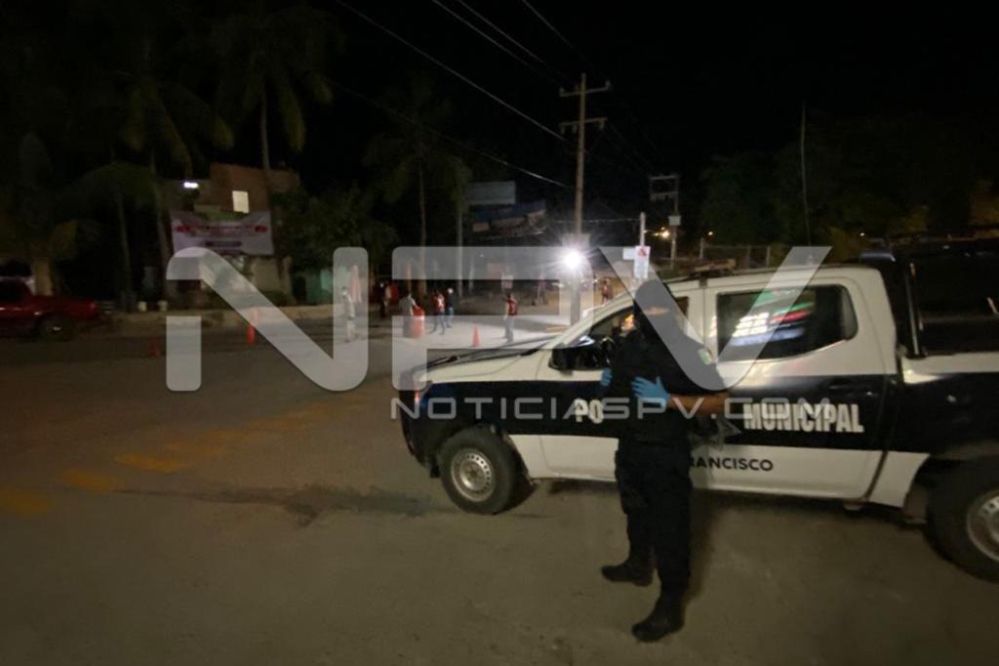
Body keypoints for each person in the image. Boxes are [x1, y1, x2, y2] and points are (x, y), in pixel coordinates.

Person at [598, 280, 727, 642]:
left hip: (666, 454)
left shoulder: (690, 351)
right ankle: (638, 565)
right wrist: (606, 384)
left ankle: (671, 603)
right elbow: (616, 392)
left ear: (671, 311)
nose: (653, 315)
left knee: (671, 530)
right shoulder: (628, 345)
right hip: (630, 449)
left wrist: (670, 401)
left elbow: (720, 401)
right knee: (635, 512)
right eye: (646, 310)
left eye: (659, 309)